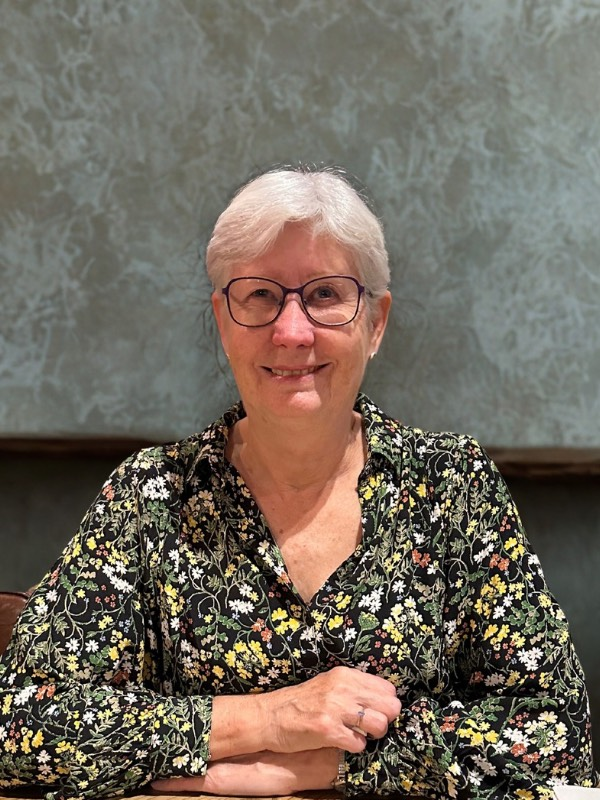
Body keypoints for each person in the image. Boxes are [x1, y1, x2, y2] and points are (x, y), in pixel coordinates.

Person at [0, 165, 596, 800]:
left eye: (326, 294)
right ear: (222, 322)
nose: (291, 331)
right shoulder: (150, 496)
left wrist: (316, 767)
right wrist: (271, 717)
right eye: (258, 296)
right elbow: (20, 723)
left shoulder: (453, 485)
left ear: (377, 323)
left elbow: (558, 737)